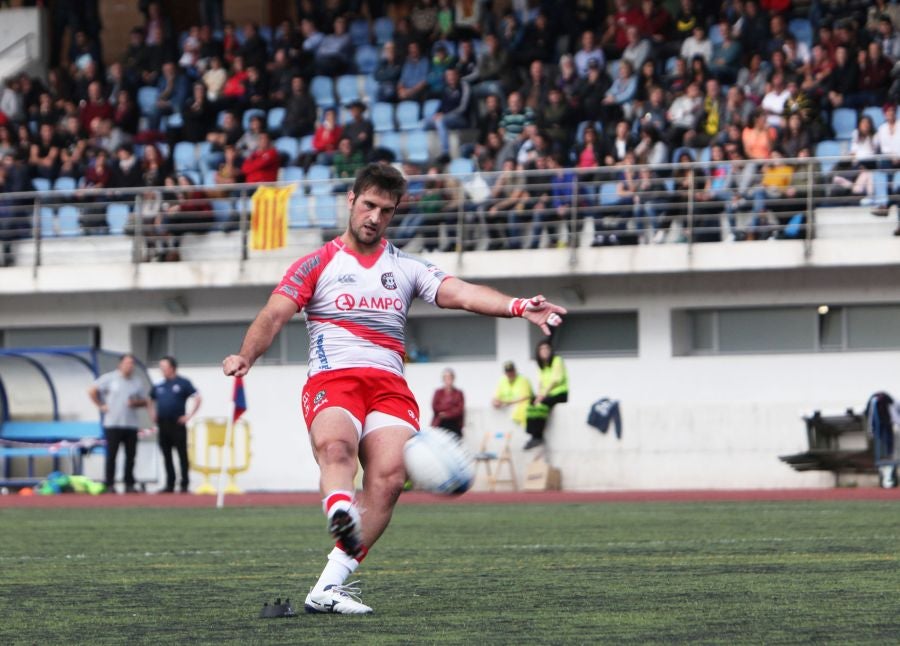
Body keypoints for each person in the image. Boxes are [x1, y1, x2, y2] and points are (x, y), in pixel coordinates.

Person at [221, 163, 565, 615]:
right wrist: (248, 354)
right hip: (334, 379)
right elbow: (273, 315)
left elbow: (460, 292)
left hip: (388, 388)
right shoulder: (317, 263)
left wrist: (519, 306)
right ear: (351, 200)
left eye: (386, 211)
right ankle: (341, 508)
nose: (375, 218)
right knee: (336, 447)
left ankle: (328, 587)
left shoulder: (405, 267)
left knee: (386, 481)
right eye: (368, 206)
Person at [87, 354, 148, 494]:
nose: (130, 366)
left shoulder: (136, 382)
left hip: (131, 425)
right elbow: (91, 390)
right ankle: (110, 484)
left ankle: (129, 484)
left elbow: (145, 401)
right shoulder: (110, 378)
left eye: (132, 363)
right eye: (127, 363)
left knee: (131, 456)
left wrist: (136, 403)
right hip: (113, 424)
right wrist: (101, 405)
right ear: (120, 365)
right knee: (112, 455)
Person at [148, 356, 202, 493]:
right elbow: (150, 399)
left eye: (164, 367)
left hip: (177, 424)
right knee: (166, 455)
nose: (162, 370)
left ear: (172, 368)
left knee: (182, 454)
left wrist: (189, 416)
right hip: (163, 424)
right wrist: (152, 414)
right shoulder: (159, 385)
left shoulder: (183, 383)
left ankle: (184, 484)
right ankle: (169, 484)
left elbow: (197, 397)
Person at [524, 340, 569, 449]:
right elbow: (541, 383)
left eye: (546, 348)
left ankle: (538, 437)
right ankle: (534, 435)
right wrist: (538, 395)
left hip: (560, 392)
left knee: (541, 404)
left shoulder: (557, 360)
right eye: (541, 349)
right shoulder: (543, 366)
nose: (544, 351)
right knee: (532, 403)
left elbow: (555, 380)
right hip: (547, 394)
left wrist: (542, 395)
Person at [491, 360, 534, 431]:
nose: (510, 373)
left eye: (511, 371)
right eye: (508, 372)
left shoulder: (523, 380)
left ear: (515, 370)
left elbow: (526, 397)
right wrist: (495, 402)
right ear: (505, 373)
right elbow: (496, 397)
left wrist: (506, 402)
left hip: (522, 413)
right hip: (507, 416)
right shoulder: (502, 381)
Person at [431, 367, 465, 437]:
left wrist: (446, 414)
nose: (448, 379)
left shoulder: (458, 393)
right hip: (440, 423)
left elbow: (459, 410)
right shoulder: (438, 392)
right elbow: (435, 407)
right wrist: (451, 407)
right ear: (443, 379)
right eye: (446, 377)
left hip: (455, 425)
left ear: (453, 378)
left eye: (450, 377)